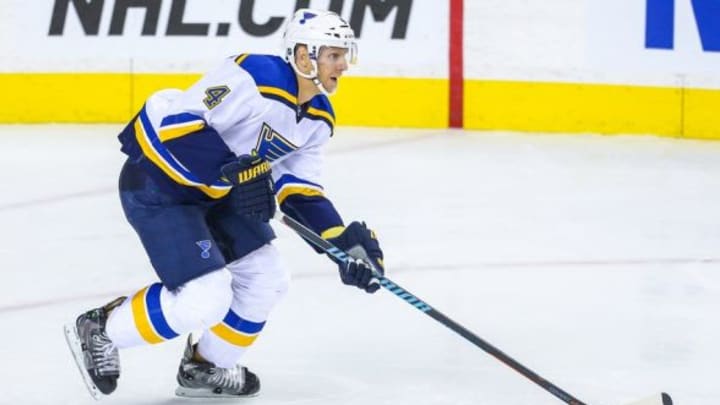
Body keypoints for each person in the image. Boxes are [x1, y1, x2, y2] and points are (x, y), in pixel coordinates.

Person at [63, 8, 385, 399]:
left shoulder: (317, 118)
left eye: (344, 55)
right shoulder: (255, 76)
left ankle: (205, 366)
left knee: (268, 280)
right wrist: (241, 171)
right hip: (160, 184)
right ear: (304, 55)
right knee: (205, 299)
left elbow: (301, 191)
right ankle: (103, 328)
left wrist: (342, 244)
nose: (343, 65)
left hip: (218, 193)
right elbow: (178, 126)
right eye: (334, 55)